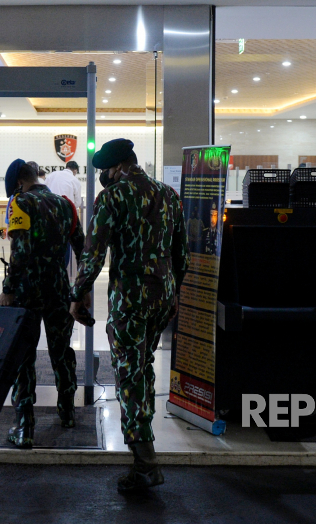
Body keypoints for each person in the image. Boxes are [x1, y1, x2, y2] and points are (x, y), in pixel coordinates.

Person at [68, 138, 189, 493]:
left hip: (131, 299)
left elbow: (93, 254)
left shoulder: (112, 197)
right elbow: (181, 252)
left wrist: (78, 296)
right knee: (143, 365)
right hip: (163, 296)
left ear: (118, 167)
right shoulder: (168, 194)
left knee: (129, 374)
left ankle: (145, 463)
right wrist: (175, 291)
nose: (104, 176)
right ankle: (145, 450)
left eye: (105, 170)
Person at [0, 158, 85, 449]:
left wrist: (8, 289)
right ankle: (68, 412)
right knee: (61, 351)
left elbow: (20, 252)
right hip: (59, 289)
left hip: (27, 294)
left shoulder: (21, 203)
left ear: (20, 183)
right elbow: (82, 248)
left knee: (24, 357)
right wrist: (79, 289)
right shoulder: (65, 205)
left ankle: (25, 426)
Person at [47, 161, 84, 271]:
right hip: (65, 216)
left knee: (49, 242)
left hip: (48, 214)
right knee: (65, 243)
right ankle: (62, 268)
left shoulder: (51, 176)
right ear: (75, 170)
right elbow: (77, 203)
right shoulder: (75, 180)